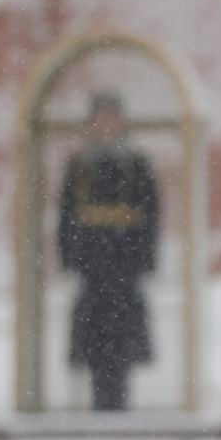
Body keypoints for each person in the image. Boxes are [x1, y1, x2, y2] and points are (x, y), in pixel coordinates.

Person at [58, 91, 159, 411]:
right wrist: (70, 256)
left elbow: (150, 214)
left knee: (122, 342)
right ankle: (99, 403)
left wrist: (143, 257)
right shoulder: (79, 165)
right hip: (92, 266)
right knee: (93, 341)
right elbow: (67, 215)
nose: (106, 125)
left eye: (112, 118)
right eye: (100, 118)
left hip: (124, 266)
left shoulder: (136, 164)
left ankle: (119, 401)